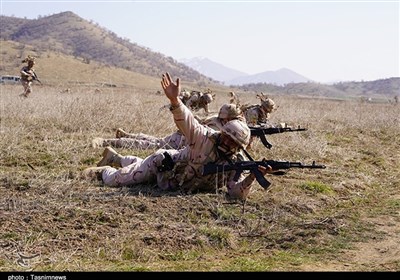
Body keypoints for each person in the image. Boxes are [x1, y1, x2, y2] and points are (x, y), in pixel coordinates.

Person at [83, 73, 271, 200]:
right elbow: (187, 121)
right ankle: (105, 170)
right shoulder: (205, 138)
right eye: (228, 137)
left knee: (139, 166)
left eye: (234, 142)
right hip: (162, 166)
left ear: (240, 147)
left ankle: (117, 157)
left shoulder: (237, 163)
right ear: (223, 132)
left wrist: (252, 178)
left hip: (173, 183)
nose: (228, 142)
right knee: (118, 180)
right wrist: (175, 101)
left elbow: (235, 193)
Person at [91, 103, 244, 150]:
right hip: (182, 142)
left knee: (154, 141)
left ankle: (126, 135)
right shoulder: (219, 126)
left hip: (183, 139)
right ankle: (106, 142)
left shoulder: (222, 124)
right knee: (147, 144)